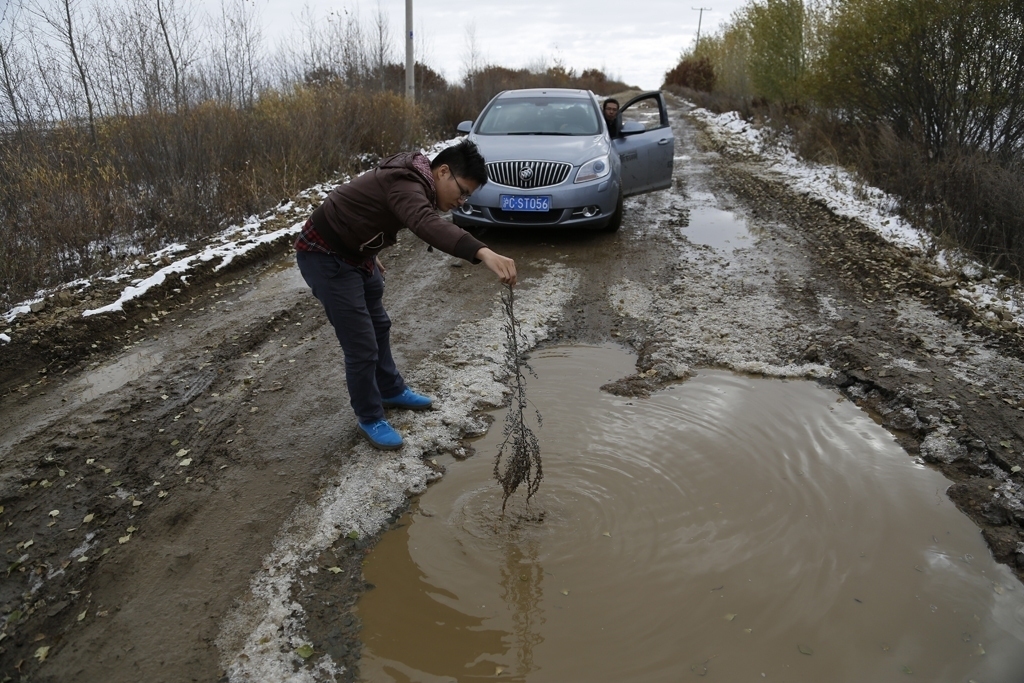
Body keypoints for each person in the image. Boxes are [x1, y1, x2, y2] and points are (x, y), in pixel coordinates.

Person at [294, 140, 517, 450]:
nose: (462, 202)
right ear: (442, 172)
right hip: (324, 254)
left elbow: (365, 206)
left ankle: (389, 389)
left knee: (379, 325)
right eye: (463, 191)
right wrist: (482, 251)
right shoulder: (407, 183)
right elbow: (424, 223)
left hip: (357, 255)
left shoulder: (416, 179)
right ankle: (370, 416)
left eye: (469, 196)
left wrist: (367, 248)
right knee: (361, 344)